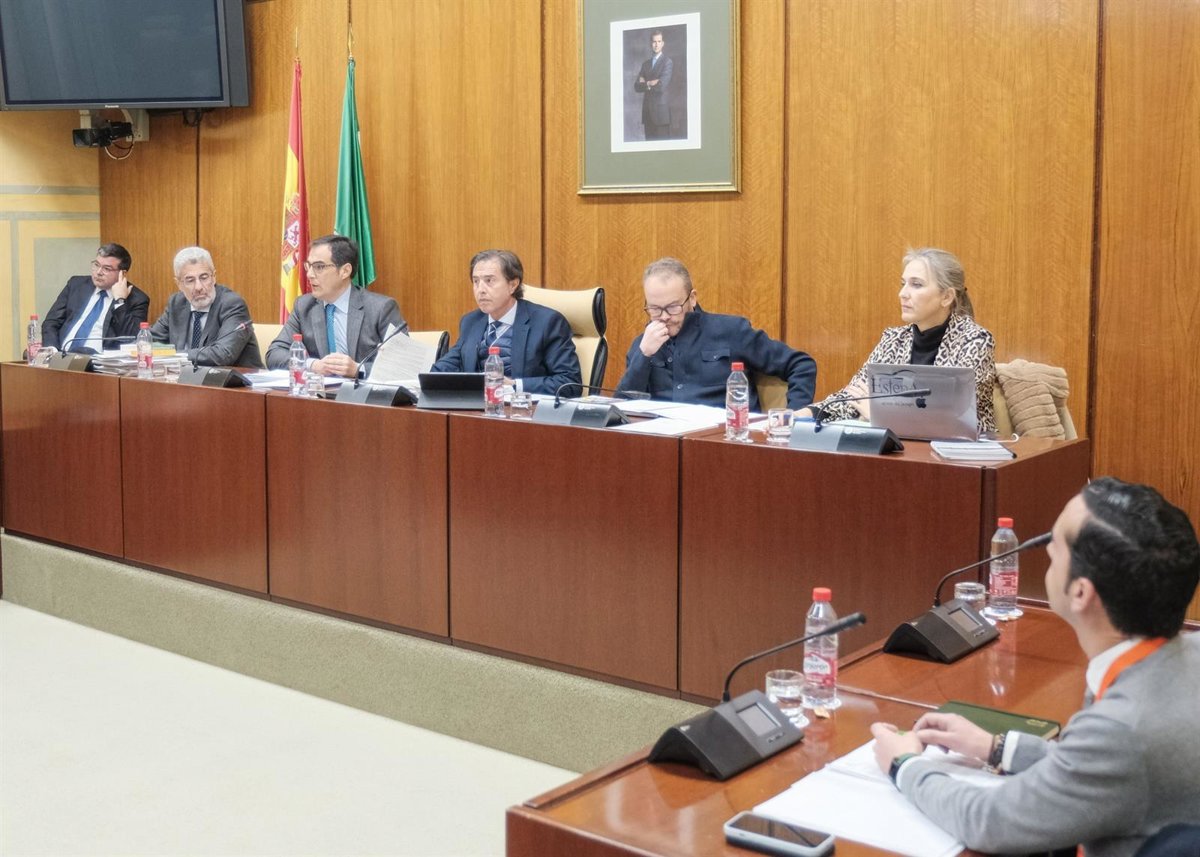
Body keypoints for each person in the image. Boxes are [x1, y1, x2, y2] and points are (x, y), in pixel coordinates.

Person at [871, 477, 1200, 857]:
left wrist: (904, 765)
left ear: (1081, 593)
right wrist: (996, 748)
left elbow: (989, 822)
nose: (1044, 549)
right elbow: (1101, 773)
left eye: (1054, 545)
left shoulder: (1120, 729)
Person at [803, 247, 996, 432]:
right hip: (900, 447)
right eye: (903, 283)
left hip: (962, 450)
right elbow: (854, 395)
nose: (902, 294)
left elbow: (950, 416)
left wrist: (881, 415)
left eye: (916, 284)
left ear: (946, 297)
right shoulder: (893, 339)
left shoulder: (975, 341)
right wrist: (805, 414)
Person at [617, 257, 816, 410]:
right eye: (654, 309)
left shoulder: (731, 331)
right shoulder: (643, 345)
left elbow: (801, 365)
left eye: (673, 307)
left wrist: (794, 417)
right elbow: (621, 411)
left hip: (724, 438)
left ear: (692, 298)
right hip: (663, 442)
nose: (664, 317)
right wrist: (643, 356)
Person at [430, 250, 581, 396]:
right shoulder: (471, 322)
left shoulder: (547, 322)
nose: (480, 289)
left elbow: (569, 383)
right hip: (477, 408)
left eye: (489, 281)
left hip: (523, 408)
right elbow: (444, 368)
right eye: (476, 281)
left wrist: (514, 386)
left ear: (512, 285)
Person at [266, 235, 407, 377]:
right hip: (320, 390)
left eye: (319, 267)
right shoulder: (304, 307)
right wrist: (313, 365)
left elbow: (404, 365)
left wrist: (358, 369)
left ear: (345, 271)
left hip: (361, 390)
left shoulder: (381, 309)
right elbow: (274, 354)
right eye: (308, 266)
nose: (309, 274)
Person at [149, 246, 262, 368]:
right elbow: (149, 342)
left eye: (204, 278)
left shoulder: (232, 304)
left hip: (234, 378)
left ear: (214, 277)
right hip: (185, 377)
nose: (198, 287)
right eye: (190, 280)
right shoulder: (176, 304)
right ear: (179, 284)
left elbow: (223, 354)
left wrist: (175, 356)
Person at [42, 242, 150, 353]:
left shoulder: (137, 299)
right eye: (96, 265)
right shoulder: (76, 285)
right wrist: (52, 350)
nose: (98, 272)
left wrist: (120, 301)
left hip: (98, 360)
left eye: (106, 269)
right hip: (61, 355)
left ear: (122, 273)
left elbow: (133, 339)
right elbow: (51, 322)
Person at [634, 30, 673, 140]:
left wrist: (645, 83)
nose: (656, 44)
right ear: (650, 43)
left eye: (659, 41)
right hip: (647, 114)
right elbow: (637, 87)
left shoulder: (667, 62)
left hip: (661, 115)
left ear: (663, 43)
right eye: (654, 41)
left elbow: (661, 86)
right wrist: (650, 83)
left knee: (663, 148)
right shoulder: (645, 64)